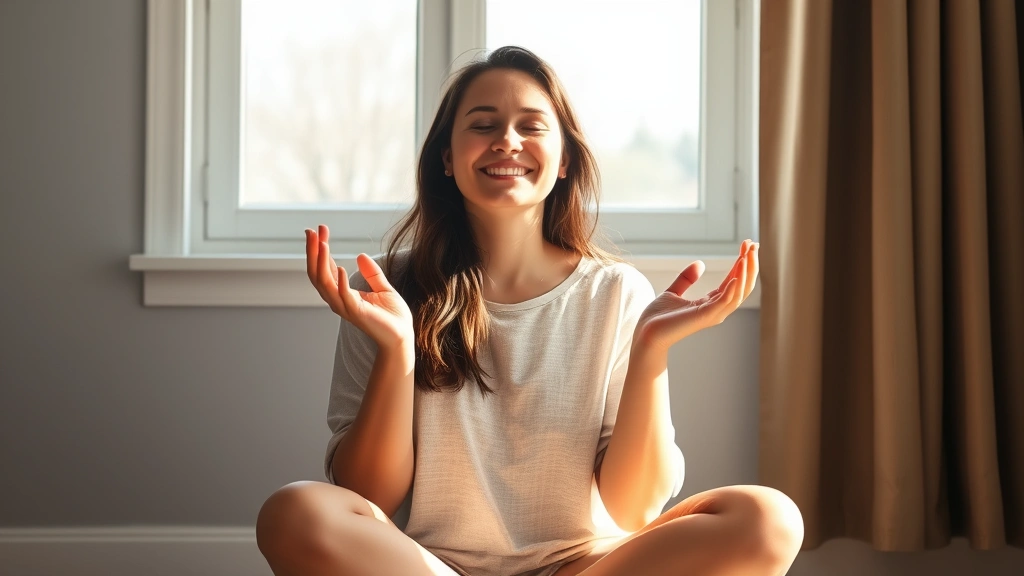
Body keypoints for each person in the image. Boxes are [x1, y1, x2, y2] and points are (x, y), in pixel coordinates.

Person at [256, 46, 803, 576]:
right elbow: (367, 496)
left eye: (532, 126)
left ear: (564, 159)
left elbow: (633, 511)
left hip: (586, 565)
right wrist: (398, 347)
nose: (507, 141)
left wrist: (651, 352)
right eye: (483, 124)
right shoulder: (386, 288)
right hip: (427, 565)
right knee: (294, 512)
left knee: (770, 519)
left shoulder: (616, 292)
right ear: (446, 157)